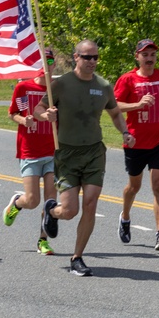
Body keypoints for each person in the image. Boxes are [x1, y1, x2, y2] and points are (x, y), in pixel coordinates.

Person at [34, 40, 136, 276]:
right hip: (67, 153)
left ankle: (77, 257)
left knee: (90, 203)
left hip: (93, 152)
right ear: (76, 57)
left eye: (95, 58)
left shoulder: (103, 86)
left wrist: (125, 132)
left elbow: (115, 113)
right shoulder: (61, 84)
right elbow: (39, 109)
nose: (92, 62)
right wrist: (45, 114)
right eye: (87, 57)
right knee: (69, 211)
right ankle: (52, 211)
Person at [114, 39, 159, 251]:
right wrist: (137, 105)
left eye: (152, 55)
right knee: (134, 187)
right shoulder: (127, 79)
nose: (149, 58)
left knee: (158, 185)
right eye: (145, 55)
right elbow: (114, 106)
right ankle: (125, 216)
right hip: (135, 140)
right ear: (137, 56)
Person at [3, 51, 57, 255]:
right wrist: (23, 120)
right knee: (32, 200)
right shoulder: (24, 87)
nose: (47, 65)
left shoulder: (57, 90)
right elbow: (13, 113)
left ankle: (43, 240)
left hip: (53, 151)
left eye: (50, 61)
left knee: (50, 200)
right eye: (43, 61)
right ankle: (17, 203)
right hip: (30, 151)